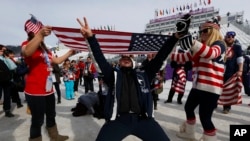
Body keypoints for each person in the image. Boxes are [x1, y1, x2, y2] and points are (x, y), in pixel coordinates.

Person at [77, 14, 191, 141]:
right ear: (119, 62)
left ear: (134, 60)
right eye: (123, 58)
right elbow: (99, 58)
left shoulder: (145, 73)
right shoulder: (112, 74)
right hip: (118, 121)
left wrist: (174, 38)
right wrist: (91, 38)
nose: (125, 59)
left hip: (143, 120)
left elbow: (161, 57)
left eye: (129, 58)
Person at [21, 16, 76, 141]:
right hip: (35, 91)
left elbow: (56, 61)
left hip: (48, 89)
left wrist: (69, 52)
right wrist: (39, 35)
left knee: (51, 115)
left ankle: (54, 136)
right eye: (39, 29)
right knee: (37, 119)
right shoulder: (26, 44)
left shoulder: (45, 50)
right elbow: (26, 52)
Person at [176, 16, 226, 140]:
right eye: (200, 31)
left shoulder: (220, 44)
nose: (201, 33)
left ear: (213, 32)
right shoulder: (200, 47)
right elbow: (181, 58)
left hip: (211, 88)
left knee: (205, 117)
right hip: (198, 86)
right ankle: (189, 133)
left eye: (205, 31)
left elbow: (211, 53)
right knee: (188, 108)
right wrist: (163, 51)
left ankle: (210, 138)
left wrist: (193, 42)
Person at [222, 31, 243, 114]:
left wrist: (240, 70)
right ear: (225, 37)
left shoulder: (237, 47)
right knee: (216, 89)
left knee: (228, 89)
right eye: (229, 36)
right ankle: (213, 104)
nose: (231, 38)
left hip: (230, 71)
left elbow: (240, 59)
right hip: (219, 70)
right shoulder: (221, 45)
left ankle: (226, 107)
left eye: (232, 37)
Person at [0, 45, 16, 117]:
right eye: (2, 50)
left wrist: (7, 58)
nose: (3, 52)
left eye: (4, 50)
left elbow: (12, 67)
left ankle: (7, 110)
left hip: (6, 79)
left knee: (7, 95)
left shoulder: (5, 59)